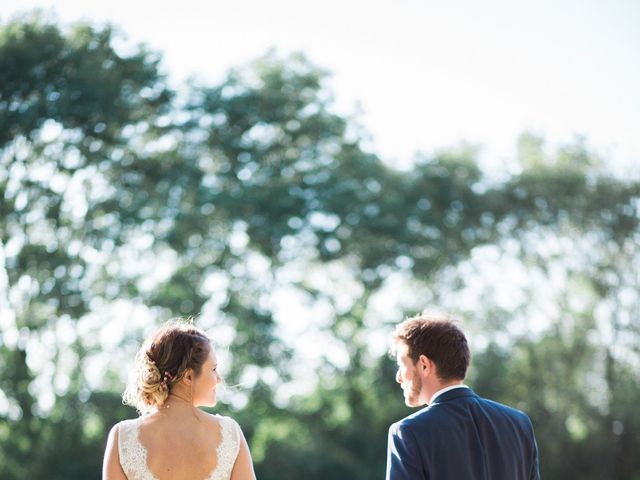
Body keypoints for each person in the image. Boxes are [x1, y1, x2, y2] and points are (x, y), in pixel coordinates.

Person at [386, 313, 540, 480]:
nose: (398, 377)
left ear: (424, 364)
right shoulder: (519, 423)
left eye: (402, 365)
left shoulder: (407, 432)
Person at [102, 321, 256, 480]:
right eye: (213, 369)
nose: (218, 379)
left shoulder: (123, 437)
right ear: (188, 377)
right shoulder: (229, 434)